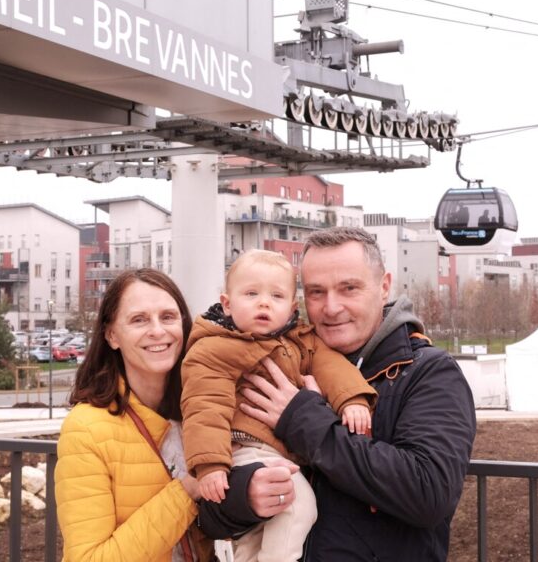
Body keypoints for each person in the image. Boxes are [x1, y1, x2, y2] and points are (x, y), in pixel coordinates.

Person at [198, 227, 477, 560]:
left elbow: (428, 493)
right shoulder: (272, 362)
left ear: (384, 286)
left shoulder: (428, 372)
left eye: (349, 288)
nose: (331, 307)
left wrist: (304, 419)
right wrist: (245, 496)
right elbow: (206, 517)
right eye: (317, 292)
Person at [180, 250, 377, 562]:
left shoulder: (300, 341)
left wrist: (352, 399)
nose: (264, 303)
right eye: (251, 294)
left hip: (277, 451)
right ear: (227, 304)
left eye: (276, 296)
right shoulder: (214, 348)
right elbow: (204, 406)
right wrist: (210, 464)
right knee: (296, 504)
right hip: (245, 448)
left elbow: (332, 368)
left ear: (292, 309)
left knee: (256, 536)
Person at [55, 268, 212, 562]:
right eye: (139, 319)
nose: (157, 330)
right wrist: (186, 492)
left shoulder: (204, 409)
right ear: (112, 335)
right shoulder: (86, 429)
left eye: (168, 317)